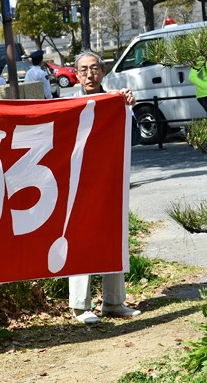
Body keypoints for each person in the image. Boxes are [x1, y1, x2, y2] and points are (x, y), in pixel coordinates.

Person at [69, 51, 141, 324]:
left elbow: (132, 139)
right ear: (76, 75)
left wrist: (128, 109)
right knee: (80, 241)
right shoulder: (67, 106)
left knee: (114, 237)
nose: (90, 74)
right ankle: (79, 306)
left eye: (95, 68)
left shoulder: (115, 102)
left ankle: (113, 302)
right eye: (84, 70)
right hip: (78, 185)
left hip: (111, 181)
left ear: (103, 71)